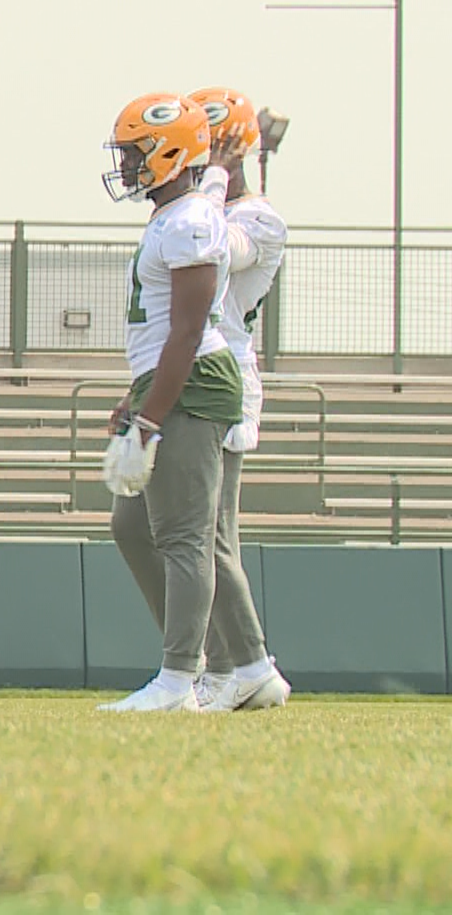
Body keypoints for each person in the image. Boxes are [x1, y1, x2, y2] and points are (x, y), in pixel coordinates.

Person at [98, 92, 245, 712]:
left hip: (193, 379)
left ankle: (181, 678)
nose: (127, 167)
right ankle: (238, 665)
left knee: (185, 536)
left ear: (169, 153)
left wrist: (151, 418)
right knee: (134, 524)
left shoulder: (187, 220)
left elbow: (186, 332)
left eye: (136, 154)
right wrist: (136, 401)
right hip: (168, 375)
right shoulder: (174, 215)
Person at [180, 87, 291, 711]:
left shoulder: (258, 217)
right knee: (194, 530)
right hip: (198, 365)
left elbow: (219, 254)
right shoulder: (203, 208)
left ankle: (247, 664)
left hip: (228, 372)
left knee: (213, 532)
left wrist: (214, 180)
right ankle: (224, 666)